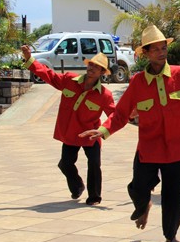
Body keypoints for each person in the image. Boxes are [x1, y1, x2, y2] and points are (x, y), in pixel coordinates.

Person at [79, 25, 180, 242]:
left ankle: (171, 234)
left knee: (174, 196)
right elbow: (121, 113)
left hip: (178, 148)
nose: (161, 52)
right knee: (137, 187)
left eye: (164, 48)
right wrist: (103, 130)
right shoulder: (138, 82)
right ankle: (144, 205)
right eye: (156, 49)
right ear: (146, 53)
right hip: (150, 147)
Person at [21, 46, 115, 206]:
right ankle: (77, 186)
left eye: (97, 67)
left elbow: (114, 115)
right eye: (91, 65)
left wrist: (103, 130)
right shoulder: (69, 80)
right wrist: (30, 59)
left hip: (91, 135)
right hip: (71, 133)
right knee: (65, 163)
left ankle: (94, 197)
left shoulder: (105, 95)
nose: (92, 68)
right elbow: (48, 75)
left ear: (102, 73)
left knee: (94, 163)